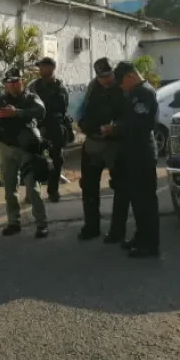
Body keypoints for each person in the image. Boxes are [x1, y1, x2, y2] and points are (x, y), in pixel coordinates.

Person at [103, 61, 161, 258]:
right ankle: (140, 236)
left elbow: (139, 123)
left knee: (146, 202)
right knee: (137, 201)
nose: (121, 87)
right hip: (133, 153)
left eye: (121, 82)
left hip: (142, 153)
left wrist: (115, 128)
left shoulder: (143, 93)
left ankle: (149, 244)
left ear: (130, 76)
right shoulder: (137, 92)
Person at [0, 67, 50, 239]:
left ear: (22, 82)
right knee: (9, 188)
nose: (13, 85)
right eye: (9, 82)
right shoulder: (1, 100)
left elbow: (41, 111)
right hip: (6, 149)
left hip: (27, 149)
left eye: (16, 81)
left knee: (32, 189)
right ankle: (13, 222)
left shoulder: (31, 98)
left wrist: (17, 113)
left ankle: (41, 224)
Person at [76, 58, 131, 244]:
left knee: (121, 188)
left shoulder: (123, 87)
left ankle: (117, 231)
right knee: (89, 187)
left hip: (115, 145)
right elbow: (82, 111)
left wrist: (115, 128)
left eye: (108, 76)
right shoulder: (93, 87)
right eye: (101, 77)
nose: (105, 80)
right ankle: (91, 227)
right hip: (93, 144)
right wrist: (84, 125)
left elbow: (130, 116)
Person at [27, 56, 70, 202]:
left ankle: (53, 191)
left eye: (42, 67)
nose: (40, 69)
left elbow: (65, 107)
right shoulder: (33, 86)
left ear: (51, 68)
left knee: (57, 160)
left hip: (55, 128)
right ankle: (32, 193)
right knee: (34, 161)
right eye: (40, 67)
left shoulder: (60, 87)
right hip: (37, 128)